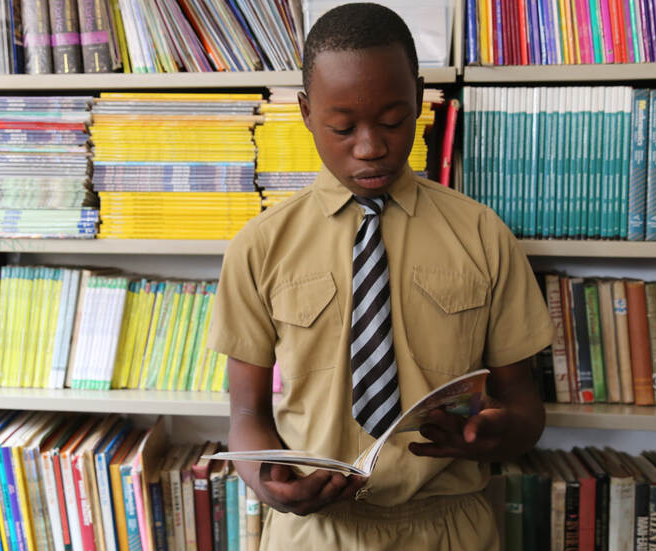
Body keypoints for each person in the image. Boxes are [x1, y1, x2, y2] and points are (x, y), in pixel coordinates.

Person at [206, 3, 554, 549]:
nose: (370, 147)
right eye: (342, 127)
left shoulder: (482, 235)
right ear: (304, 111)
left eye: (393, 121)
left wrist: (493, 434)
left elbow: (525, 408)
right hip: (314, 531)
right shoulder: (261, 245)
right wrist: (264, 480)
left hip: (448, 525)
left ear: (418, 97)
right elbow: (247, 413)